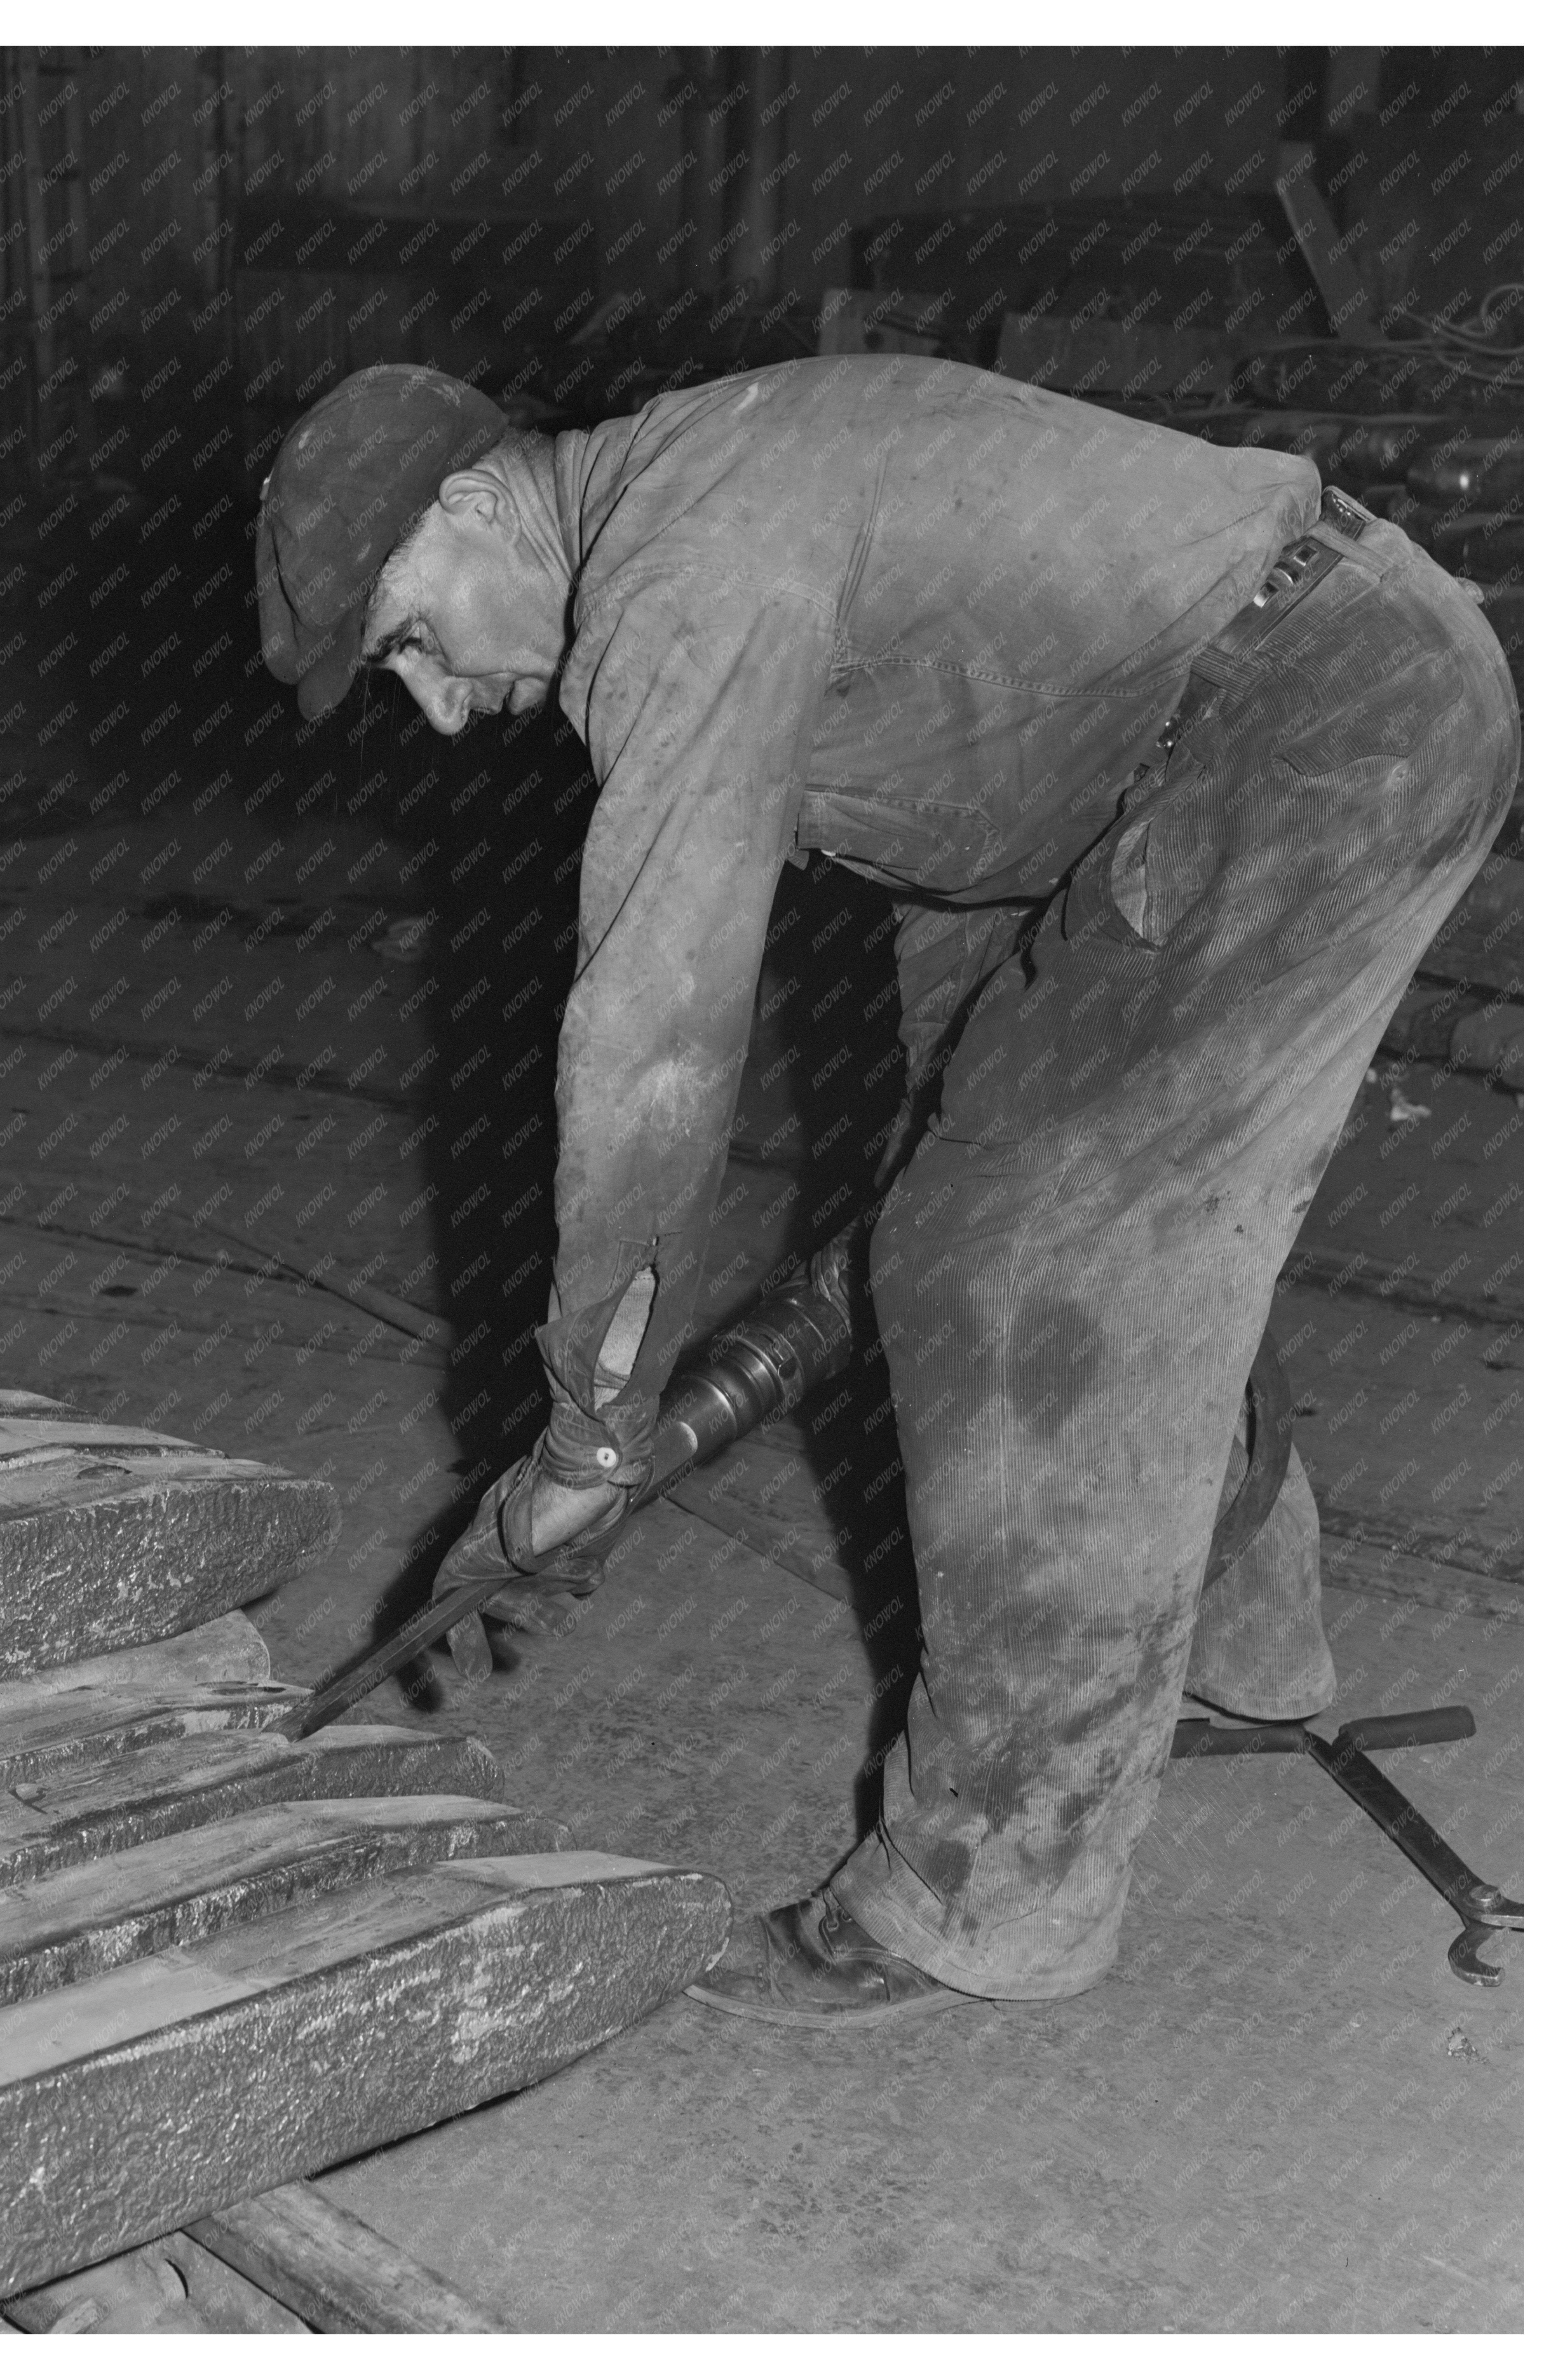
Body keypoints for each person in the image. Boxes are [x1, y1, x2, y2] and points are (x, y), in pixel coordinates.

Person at [256, 357, 1520, 2027]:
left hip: (1312, 715)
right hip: (1164, 751)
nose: (433, 700)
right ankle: (1245, 1643)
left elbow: (656, 1047)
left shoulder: (682, 575)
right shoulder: (692, 506)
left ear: (474, 500)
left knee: (1023, 1260)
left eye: (410, 636)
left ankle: (984, 1886)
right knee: (1001, 1188)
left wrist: (590, 1433)